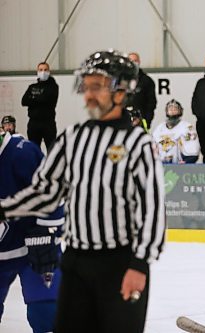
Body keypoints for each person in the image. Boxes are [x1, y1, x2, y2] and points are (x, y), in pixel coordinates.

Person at [0, 50, 166, 333]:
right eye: (86, 86)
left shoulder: (138, 143)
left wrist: (139, 265)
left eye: (97, 86)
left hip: (121, 263)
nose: (89, 94)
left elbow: (151, 210)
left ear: (122, 90)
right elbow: (46, 191)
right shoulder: (73, 137)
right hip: (75, 262)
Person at [0, 129, 64, 333]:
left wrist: (48, 234)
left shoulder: (23, 154)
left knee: (45, 314)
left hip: (32, 253)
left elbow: (53, 195)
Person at [21, 62, 59, 150]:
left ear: (49, 71)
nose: (43, 72)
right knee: (33, 150)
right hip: (33, 123)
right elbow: (24, 101)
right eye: (41, 70)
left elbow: (47, 100)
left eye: (45, 70)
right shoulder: (32, 87)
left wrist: (33, 98)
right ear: (37, 71)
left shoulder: (53, 86)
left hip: (48, 123)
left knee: (51, 150)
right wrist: (39, 98)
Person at [152, 99, 200, 164]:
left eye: (175, 109)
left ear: (180, 111)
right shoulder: (159, 128)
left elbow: (193, 150)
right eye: (170, 108)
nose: (172, 110)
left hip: (180, 164)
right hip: (161, 164)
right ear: (166, 111)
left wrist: (187, 161)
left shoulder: (187, 127)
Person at [127, 52, 157, 129]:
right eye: (130, 61)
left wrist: (147, 120)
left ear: (139, 62)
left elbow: (151, 103)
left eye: (135, 61)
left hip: (142, 121)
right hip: (124, 121)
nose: (133, 63)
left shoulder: (147, 81)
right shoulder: (121, 79)